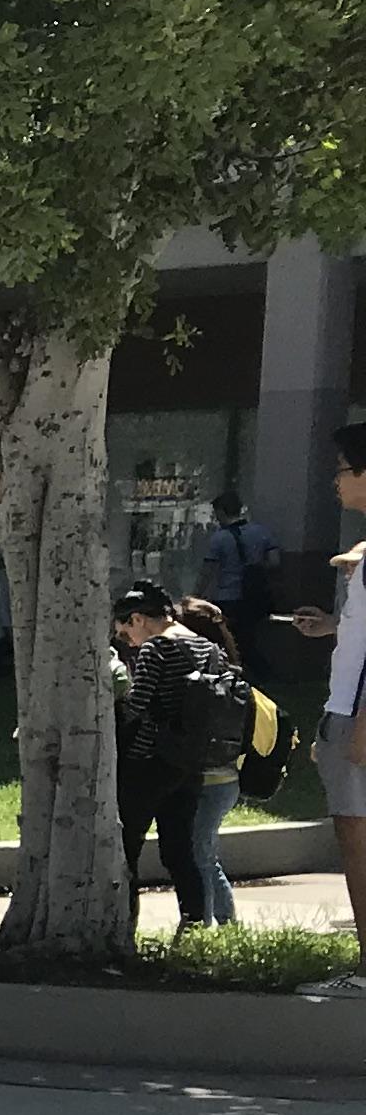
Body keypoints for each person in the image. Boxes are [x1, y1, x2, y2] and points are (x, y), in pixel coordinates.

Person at [285, 424, 366, 998]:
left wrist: (359, 728)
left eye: (341, 468)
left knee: (359, 848)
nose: (335, 479)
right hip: (346, 713)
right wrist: (336, 624)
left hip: (358, 718)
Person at [114, 582, 222, 933]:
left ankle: (123, 927)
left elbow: (136, 705)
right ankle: (194, 926)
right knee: (179, 852)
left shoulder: (156, 649)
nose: (128, 642)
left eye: (125, 632)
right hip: (190, 762)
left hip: (149, 760)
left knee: (126, 848)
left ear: (138, 619)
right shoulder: (207, 647)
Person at [176, 598, 256, 925]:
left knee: (201, 855)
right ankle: (220, 920)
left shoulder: (200, 678)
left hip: (208, 782)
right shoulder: (231, 674)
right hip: (226, 781)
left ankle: (212, 921)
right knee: (204, 853)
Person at [196, 488, 273, 672]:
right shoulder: (260, 532)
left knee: (228, 640)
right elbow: (274, 562)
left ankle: (238, 671)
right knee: (249, 638)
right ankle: (260, 673)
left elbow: (208, 570)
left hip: (226, 597)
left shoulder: (219, 538)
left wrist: (196, 596)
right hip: (254, 596)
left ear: (221, 512)